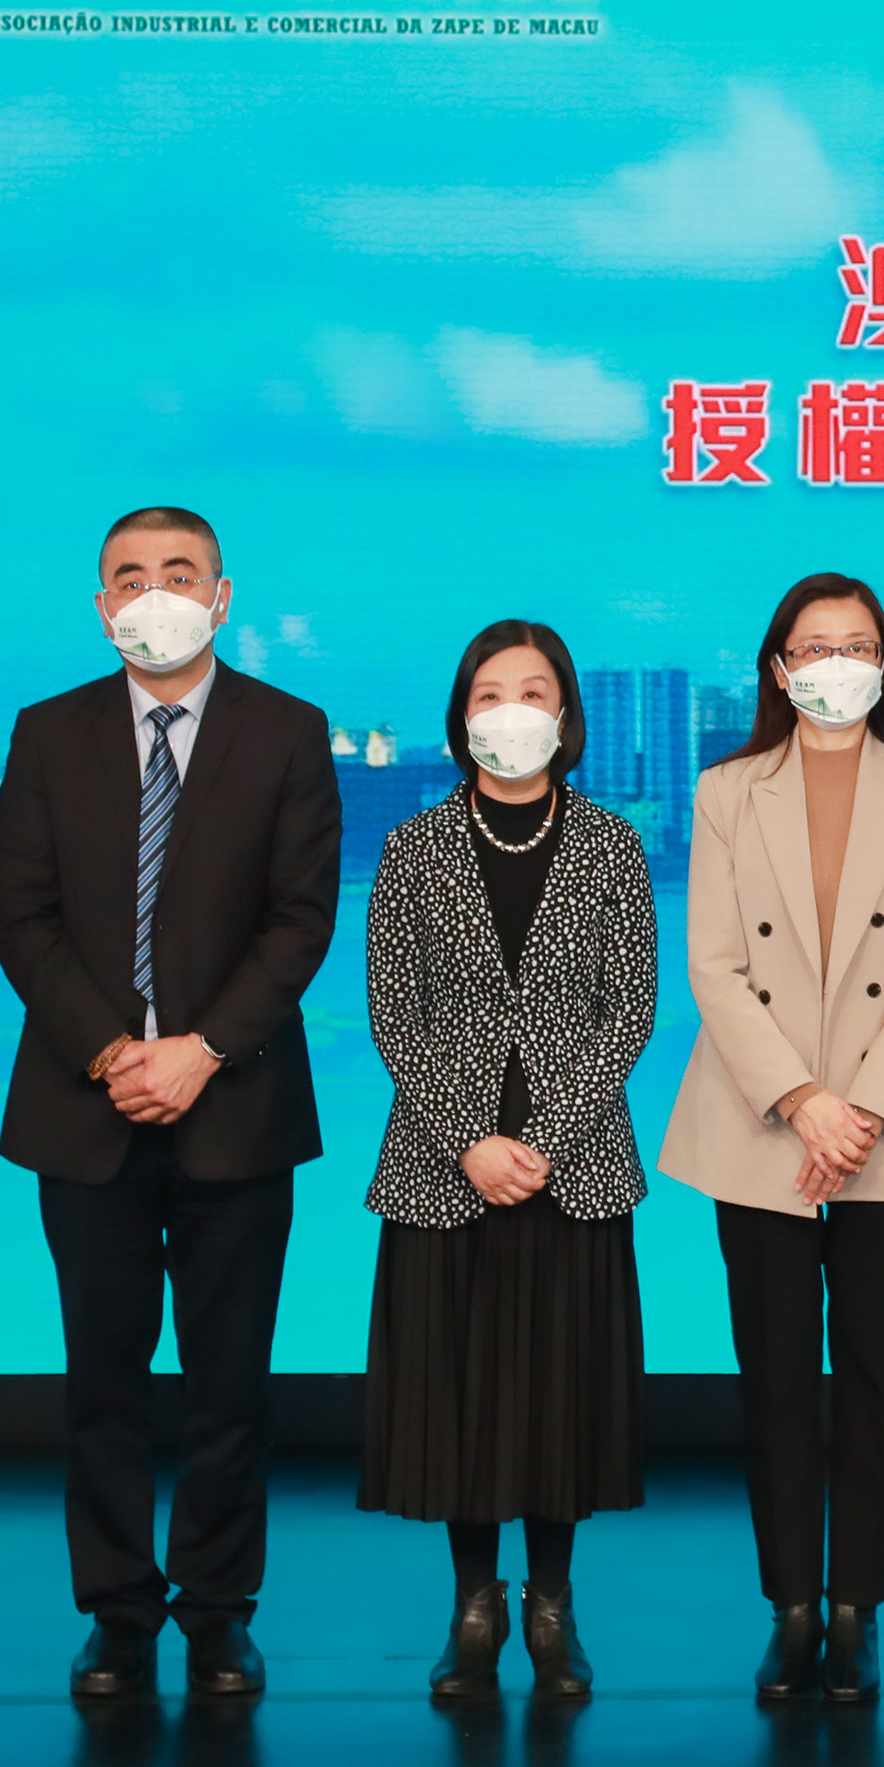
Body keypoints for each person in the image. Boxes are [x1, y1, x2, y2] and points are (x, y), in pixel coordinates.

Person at [0, 506, 340, 1699]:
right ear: (101, 606)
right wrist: (109, 1051)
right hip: (82, 1107)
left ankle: (219, 1608)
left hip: (235, 1104)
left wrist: (201, 1049)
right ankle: (117, 1609)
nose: (155, 595)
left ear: (222, 596)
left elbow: (300, 918)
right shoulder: (48, 732)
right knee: (103, 1379)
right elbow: (21, 914)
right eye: (129, 578)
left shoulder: (288, 730)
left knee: (228, 1380)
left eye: (178, 574)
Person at [657, 574, 884, 1706]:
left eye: (858, 644)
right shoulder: (726, 790)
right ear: (778, 666)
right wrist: (802, 1099)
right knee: (778, 1378)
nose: (837, 663)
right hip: (763, 1123)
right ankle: (792, 1606)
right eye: (814, 645)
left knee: (876, 1377)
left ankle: (858, 1609)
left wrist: (862, 1109)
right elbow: (712, 964)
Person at [361, 620, 659, 1701]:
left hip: (573, 1168)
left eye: (534, 691)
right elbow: (394, 1012)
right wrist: (471, 1141)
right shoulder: (413, 846)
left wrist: (543, 1141)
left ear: (566, 715)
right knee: (462, 1397)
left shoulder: (612, 844)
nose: (512, 711)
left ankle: (553, 1603)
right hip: (445, 1168)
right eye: (491, 692)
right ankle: (474, 1605)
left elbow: (629, 1011)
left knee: (560, 1396)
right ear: (461, 716)